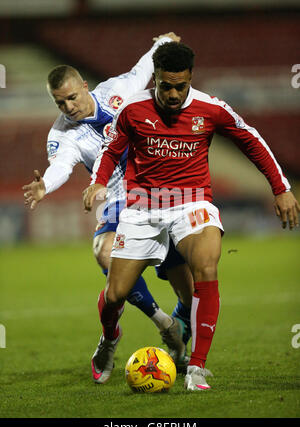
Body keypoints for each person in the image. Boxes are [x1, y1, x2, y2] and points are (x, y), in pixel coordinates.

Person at [83, 41, 300, 391]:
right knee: (114, 295)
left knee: (207, 268)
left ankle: (197, 367)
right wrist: (97, 183)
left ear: (190, 79)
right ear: (155, 79)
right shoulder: (133, 110)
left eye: (179, 86)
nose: (172, 94)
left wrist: (281, 187)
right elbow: (112, 150)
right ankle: (109, 341)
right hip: (142, 207)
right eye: (165, 86)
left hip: (191, 203)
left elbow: (252, 139)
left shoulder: (210, 108)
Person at [22, 34, 193, 378]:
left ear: (85, 86)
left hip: (160, 193)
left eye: (71, 97)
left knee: (190, 292)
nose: (68, 107)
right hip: (117, 199)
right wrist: (45, 186)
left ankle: (179, 332)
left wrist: (161, 41)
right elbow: (61, 165)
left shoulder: (116, 91)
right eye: (60, 103)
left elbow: (143, 68)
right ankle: (137, 330)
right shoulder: (63, 135)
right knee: (104, 251)